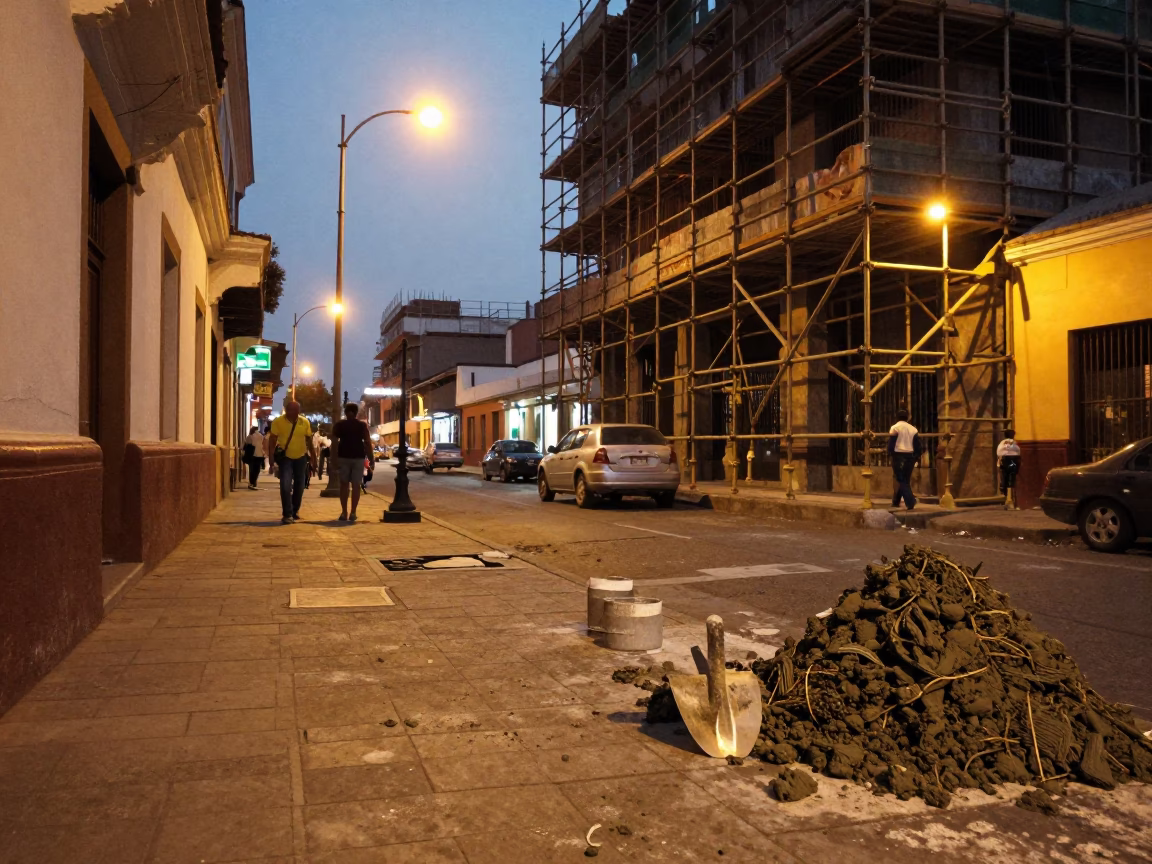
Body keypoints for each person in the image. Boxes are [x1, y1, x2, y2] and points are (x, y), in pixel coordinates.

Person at [267, 401, 316, 524]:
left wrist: (314, 457)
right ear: (287, 410)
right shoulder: (278, 422)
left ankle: (295, 510)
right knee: (285, 485)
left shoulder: (304, 422)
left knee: (300, 485)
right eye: (292, 410)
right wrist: (271, 458)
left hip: (301, 457)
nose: (295, 413)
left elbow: (309, 440)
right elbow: (272, 440)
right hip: (286, 458)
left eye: (297, 410)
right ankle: (287, 514)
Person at [331, 403, 374, 522]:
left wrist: (333, 459)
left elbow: (334, 443)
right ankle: (353, 512)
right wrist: (371, 458)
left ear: (345, 412)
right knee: (356, 485)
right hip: (358, 458)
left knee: (344, 485)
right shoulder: (361, 425)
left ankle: (344, 512)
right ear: (356, 413)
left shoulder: (339, 425)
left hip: (343, 457)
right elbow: (367, 442)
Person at [887, 409, 922, 510]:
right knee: (905, 480)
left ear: (897, 417)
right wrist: (916, 457)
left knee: (900, 479)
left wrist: (890, 454)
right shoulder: (913, 429)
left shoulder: (894, 428)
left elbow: (891, 444)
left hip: (898, 456)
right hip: (910, 456)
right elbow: (918, 446)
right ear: (907, 418)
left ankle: (910, 501)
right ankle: (896, 501)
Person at [997, 428, 1022, 500]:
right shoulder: (1015, 443)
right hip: (1013, 461)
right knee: (1012, 479)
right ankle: (1012, 499)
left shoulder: (1001, 443)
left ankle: (1004, 498)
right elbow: (1018, 453)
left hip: (1004, 461)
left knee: (1004, 480)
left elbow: (999, 453)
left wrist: (999, 463)